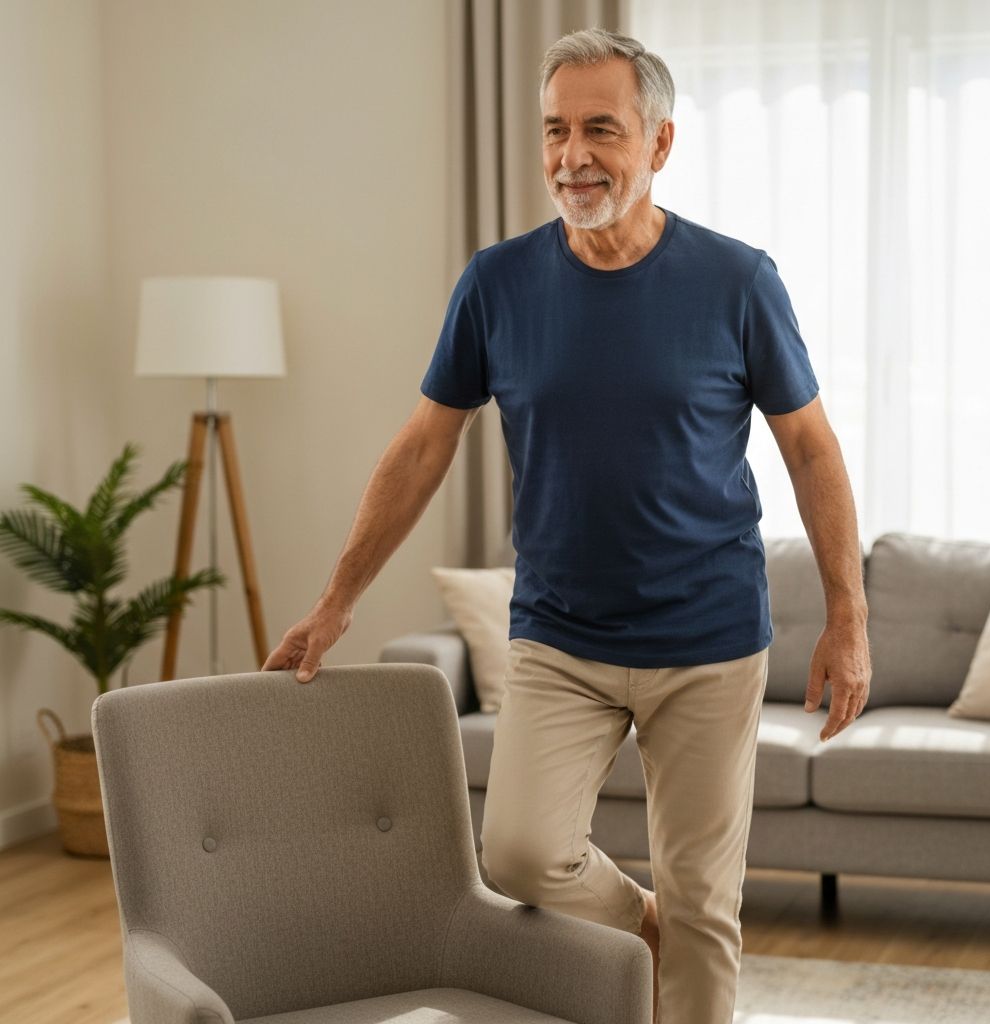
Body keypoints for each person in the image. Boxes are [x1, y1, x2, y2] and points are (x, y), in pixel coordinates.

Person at [263, 26, 871, 1024]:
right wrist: (337, 603)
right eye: (554, 130)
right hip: (559, 637)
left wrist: (848, 614)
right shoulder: (496, 283)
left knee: (706, 907)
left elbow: (810, 447)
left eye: (600, 129)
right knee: (517, 854)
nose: (571, 156)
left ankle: (677, 945)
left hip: (709, 639)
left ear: (660, 142)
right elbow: (422, 447)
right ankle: (639, 925)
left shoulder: (738, 281)